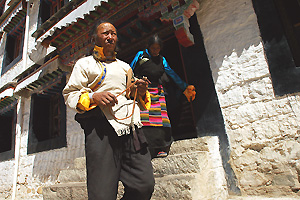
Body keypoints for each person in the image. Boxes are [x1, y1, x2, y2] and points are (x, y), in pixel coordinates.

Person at [63, 20, 155, 200]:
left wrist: (139, 90)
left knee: (144, 185)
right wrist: (93, 97)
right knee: (102, 194)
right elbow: (70, 95)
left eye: (113, 33)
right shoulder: (84, 64)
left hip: (130, 128)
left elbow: (131, 94)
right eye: (105, 33)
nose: (110, 36)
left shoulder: (125, 67)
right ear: (94, 38)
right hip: (100, 130)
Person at [130, 34, 196, 158]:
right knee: (145, 121)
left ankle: (162, 147)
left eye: (158, 48)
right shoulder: (140, 55)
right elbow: (129, 70)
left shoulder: (162, 59)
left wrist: (184, 87)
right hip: (142, 93)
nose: (155, 51)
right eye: (153, 48)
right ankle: (146, 149)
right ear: (148, 47)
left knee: (162, 120)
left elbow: (171, 73)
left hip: (157, 93)